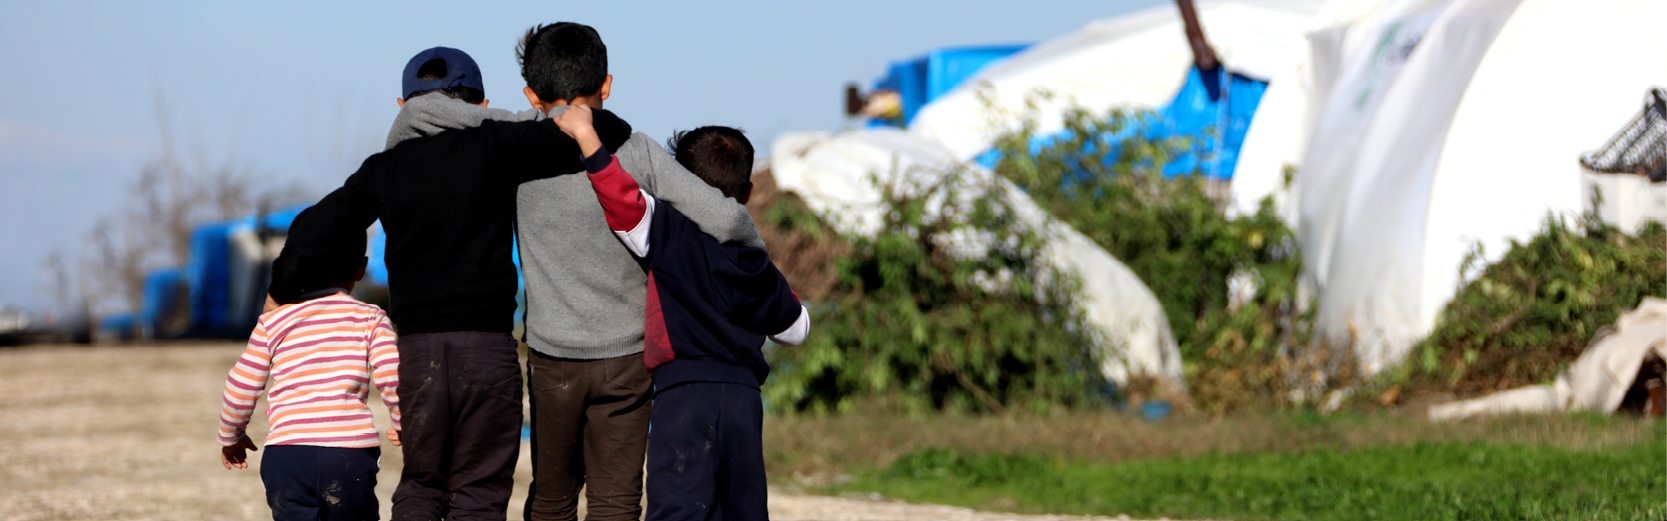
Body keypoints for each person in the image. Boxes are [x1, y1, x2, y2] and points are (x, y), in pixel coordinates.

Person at [394, 23, 765, 521]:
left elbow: (439, 115)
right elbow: (723, 217)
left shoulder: (513, 142)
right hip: (629, 360)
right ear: (607, 85)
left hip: (552, 360)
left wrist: (409, 114)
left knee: (551, 500)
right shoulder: (637, 150)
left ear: (530, 93)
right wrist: (757, 261)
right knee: (615, 501)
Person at [270, 46, 634, 521]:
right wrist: (504, 123)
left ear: (403, 108)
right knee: (479, 491)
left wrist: (277, 295)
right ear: (480, 106)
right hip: (485, 351)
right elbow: (610, 128)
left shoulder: (383, 170)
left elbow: (314, 231)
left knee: (422, 485)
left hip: (417, 355)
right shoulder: (496, 144)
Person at [553, 106, 808, 521]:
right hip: (744, 400)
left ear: (681, 183)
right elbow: (796, 329)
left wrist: (587, 137)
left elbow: (621, 198)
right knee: (743, 510)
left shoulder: (668, 230)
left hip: (684, 393)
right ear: (747, 194)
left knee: (680, 508)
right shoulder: (755, 261)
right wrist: (772, 280)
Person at [218, 228, 400, 521]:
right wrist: (403, 420)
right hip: (349, 455)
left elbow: (240, 385)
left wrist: (231, 435)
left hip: (287, 456)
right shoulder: (370, 317)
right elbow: (393, 373)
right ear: (361, 268)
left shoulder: (273, 322)